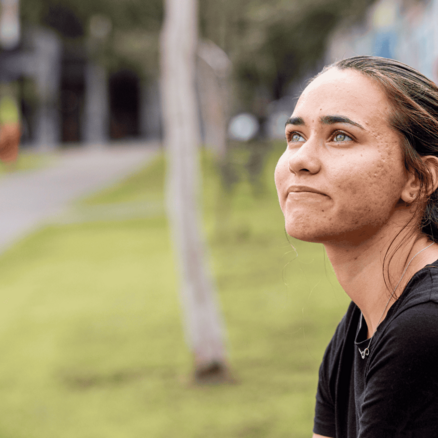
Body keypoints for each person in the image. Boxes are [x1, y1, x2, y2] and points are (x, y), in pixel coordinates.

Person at [274, 55, 438, 437]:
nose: (301, 160)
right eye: (295, 136)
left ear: (419, 178)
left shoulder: (423, 328)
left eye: (340, 136)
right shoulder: (359, 326)